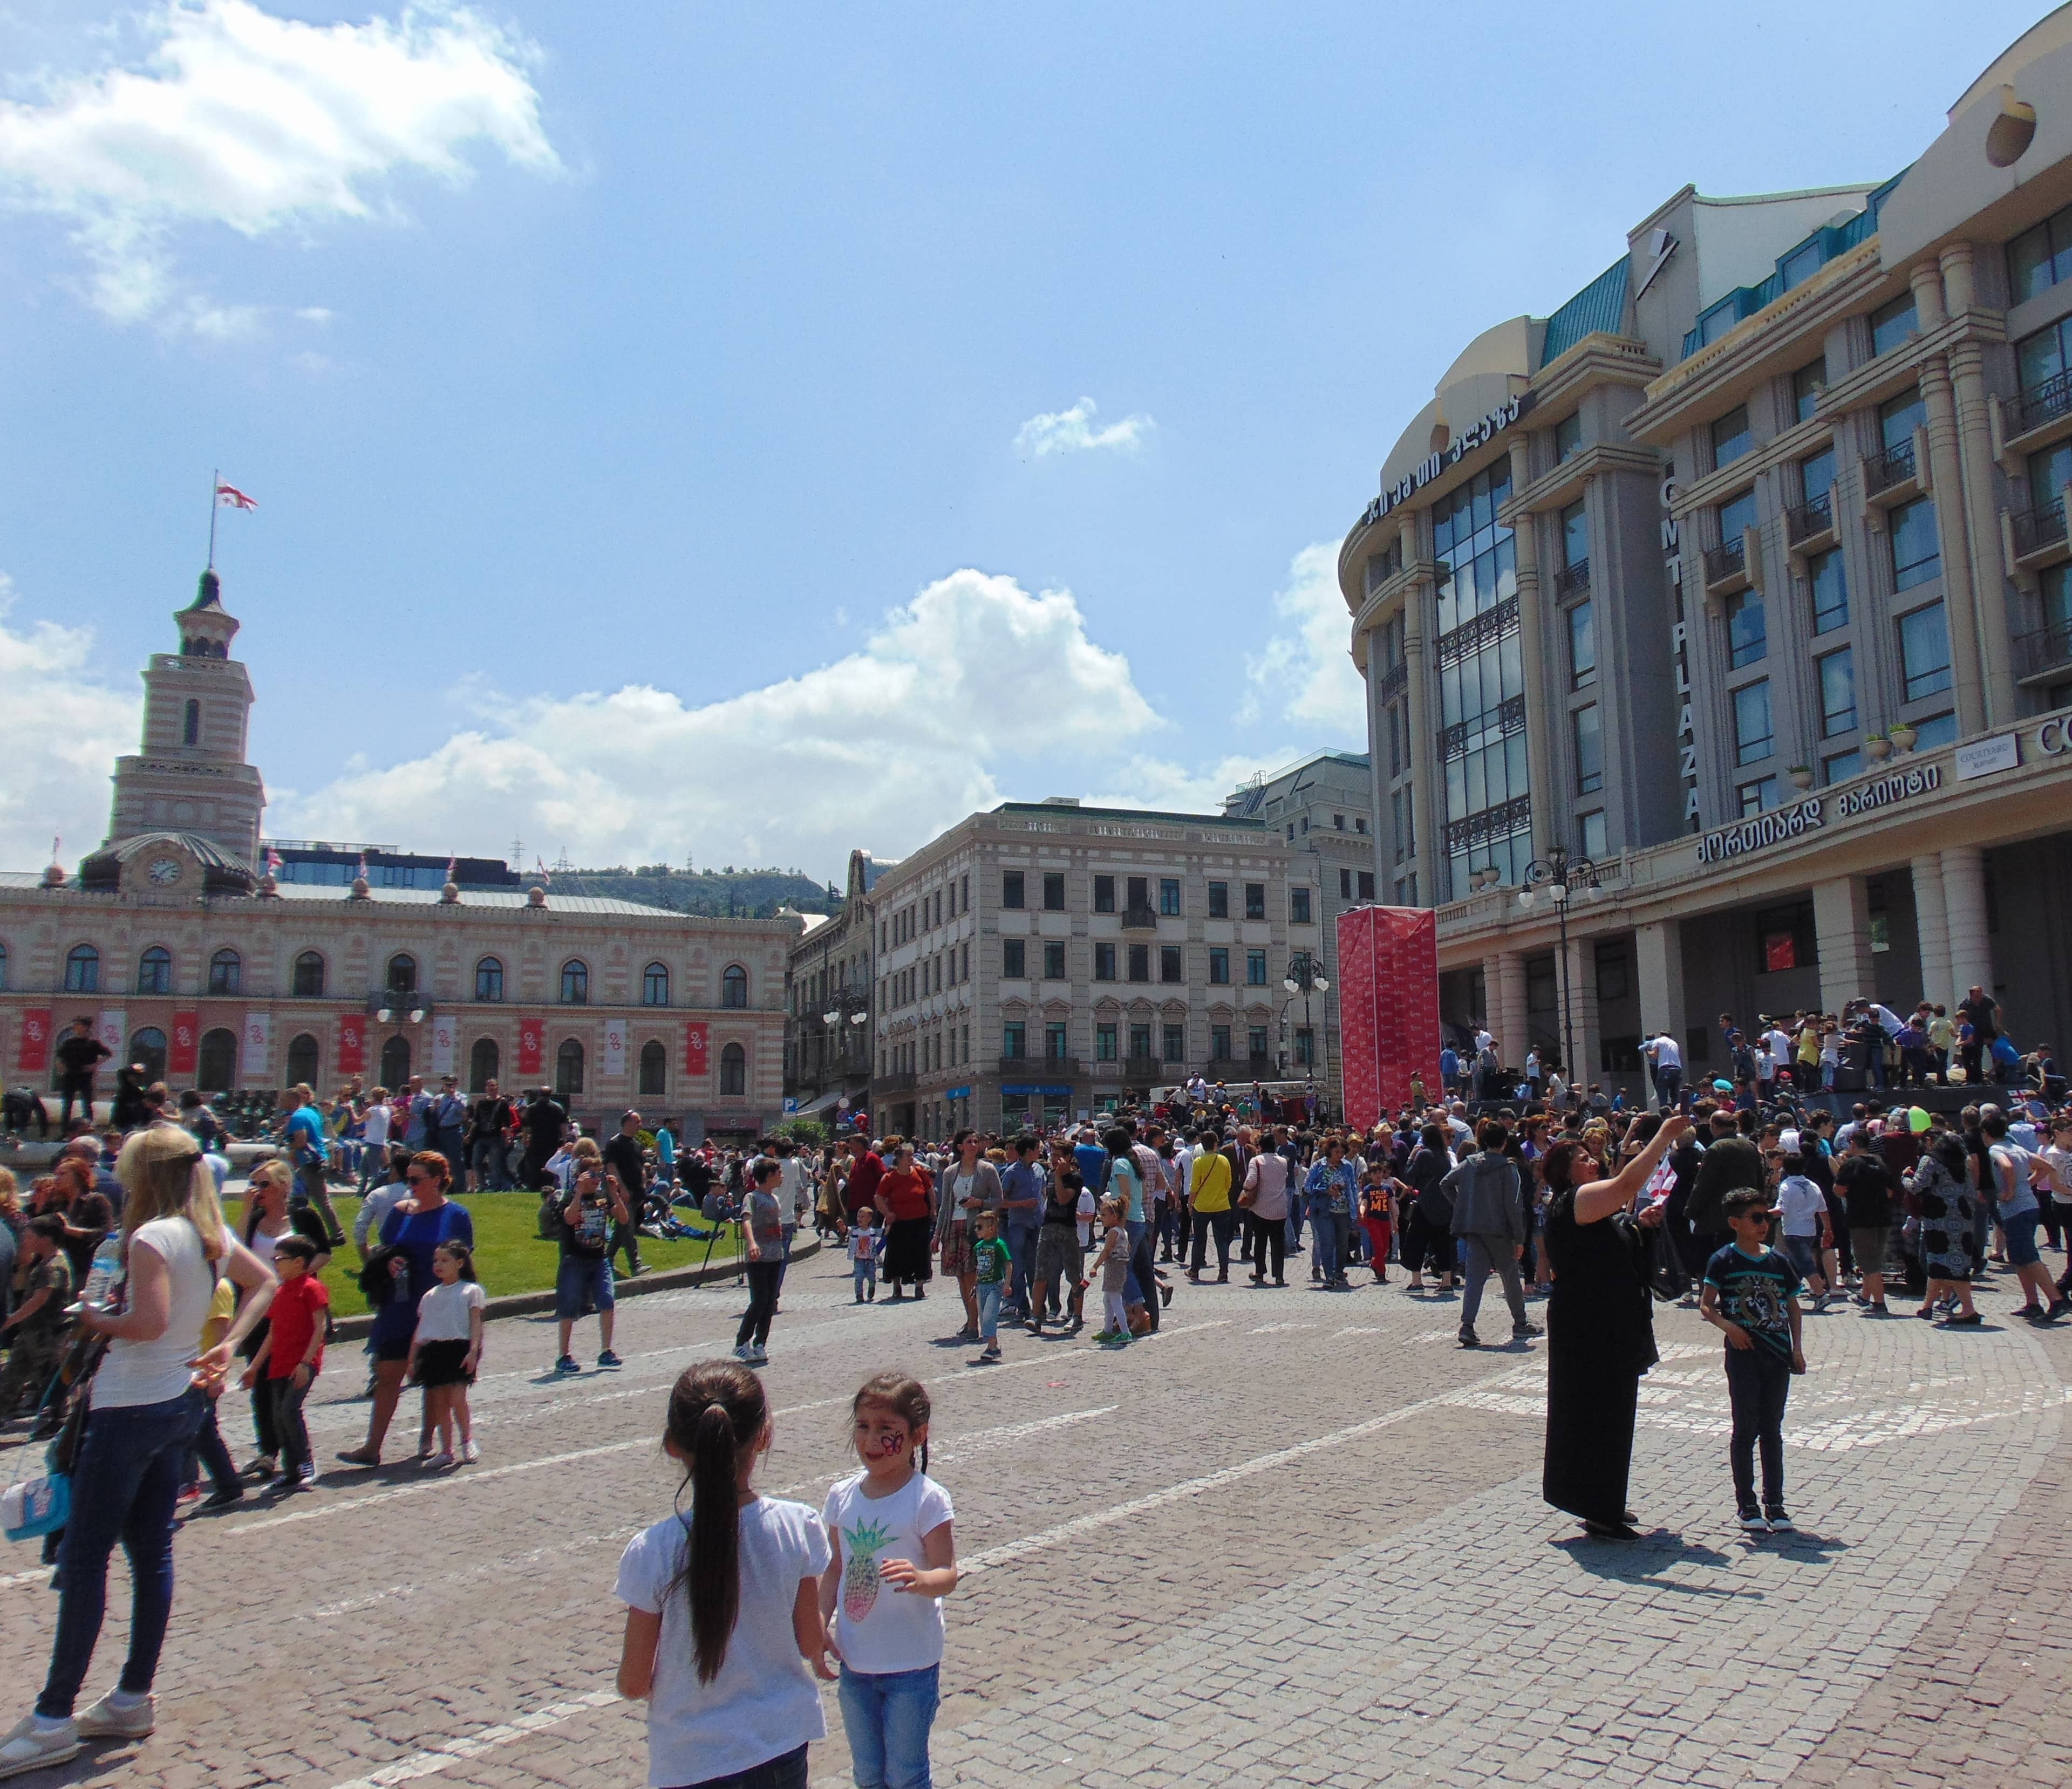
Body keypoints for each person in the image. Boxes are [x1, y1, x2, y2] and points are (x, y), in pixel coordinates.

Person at [0, 1127, 276, 1774]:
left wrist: (95, 1319)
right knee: (151, 1550)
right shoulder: (205, 1232)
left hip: (129, 1403)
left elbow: (146, 1322)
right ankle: (132, 1693)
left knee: (86, 1554)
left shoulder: (150, 1237)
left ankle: (52, 1715)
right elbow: (264, 1281)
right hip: (180, 1398)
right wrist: (228, 1342)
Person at [616, 1363, 835, 1789]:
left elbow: (634, 1680)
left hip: (689, 1758)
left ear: (672, 1446)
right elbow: (810, 1642)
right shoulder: (798, 1526)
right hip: (779, 1746)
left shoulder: (653, 1550)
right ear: (764, 1435)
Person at [1541, 1114, 1691, 1541]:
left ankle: (1603, 1499)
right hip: (1589, 1326)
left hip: (1609, 1322)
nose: (1593, 1162)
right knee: (1594, 1414)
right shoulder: (1574, 1200)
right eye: (1584, 1158)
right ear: (1565, 1171)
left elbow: (1617, 1237)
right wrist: (1661, 1138)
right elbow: (1627, 1185)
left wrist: (1640, 1228)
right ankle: (1597, 1508)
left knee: (1612, 1413)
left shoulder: (1591, 1206)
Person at [820, 1374, 956, 1789]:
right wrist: (819, 1619)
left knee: (906, 1774)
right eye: (862, 1427)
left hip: (910, 1665)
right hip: (856, 1663)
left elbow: (947, 1574)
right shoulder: (841, 1496)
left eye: (887, 1431)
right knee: (868, 1774)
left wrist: (920, 1579)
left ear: (917, 1436)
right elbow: (833, 1569)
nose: (871, 1442)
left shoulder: (927, 1498)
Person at [337, 1152, 476, 1466]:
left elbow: (464, 1262)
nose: (409, 1186)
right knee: (388, 1372)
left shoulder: (456, 1215)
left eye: (415, 1180)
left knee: (432, 1374)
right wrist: (387, 1262)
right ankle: (372, 1447)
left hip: (438, 1303)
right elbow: (385, 1249)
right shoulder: (401, 1213)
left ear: (438, 1180)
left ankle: (428, 1442)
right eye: (406, 1179)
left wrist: (470, 1306)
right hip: (399, 1302)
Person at [1701, 1187, 1807, 1532]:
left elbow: (1792, 1304)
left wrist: (1797, 1348)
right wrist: (1729, 1327)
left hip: (1777, 1356)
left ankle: (1775, 1503)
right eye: (1756, 1218)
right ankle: (1746, 1504)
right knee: (1745, 1428)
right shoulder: (1723, 1260)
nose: (1764, 1225)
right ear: (1735, 1223)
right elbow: (1706, 1304)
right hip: (1744, 1355)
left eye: (1768, 1218)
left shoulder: (1779, 1261)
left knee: (1772, 1430)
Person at [237, 1234, 326, 1493]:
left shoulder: (311, 1288)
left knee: (290, 1411)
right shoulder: (280, 1291)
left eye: (280, 1259)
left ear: (299, 1262)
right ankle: (291, 1471)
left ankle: (306, 1463)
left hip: (301, 1363)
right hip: (280, 1363)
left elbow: (320, 1327)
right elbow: (273, 1333)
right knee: (278, 1418)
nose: (275, 1263)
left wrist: (306, 1362)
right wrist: (254, 1367)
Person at [1444, 1119, 1537, 1348]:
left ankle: (1467, 1326)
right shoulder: (1508, 1168)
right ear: (1505, 1143)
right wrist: (1519, 1237)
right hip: (1500, 1231)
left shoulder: (1470, 1163)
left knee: (1474, 1280)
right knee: (1510, 1278)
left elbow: (1445, 1183)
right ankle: (1520, 1322)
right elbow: (1514, 1206)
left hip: (1474, 1228)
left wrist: (1462, 1206)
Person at [408, 1240, 485, 1467]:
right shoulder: (430, 1296)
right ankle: (447, 1450)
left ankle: (467, 1440)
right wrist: (413, 1358)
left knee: (457, 1398)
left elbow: (475, 1325)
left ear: (460, 1263)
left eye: (445, 1260)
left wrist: (473, 1352)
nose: (438, 1265)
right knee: (440, 1402)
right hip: (435, 1352)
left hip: (459, 1349)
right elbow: (421, 1329)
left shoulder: (471, 1291)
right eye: (436, 1261)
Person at [554, 1166, 630, 1375]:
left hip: (598, 1259)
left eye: (600, 1174)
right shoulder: (569, 1195)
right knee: (569, 1307)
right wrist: (579, 1191)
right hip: (575, 1259)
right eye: (593, 1175)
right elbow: (569, 1218)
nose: (597, 1179)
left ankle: (606, 1351)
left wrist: (615, 1193)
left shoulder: (603, 1197)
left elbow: (623, 1219)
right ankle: (564, 1354)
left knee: (607, 1301)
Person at [0, 1216, 73, 1419]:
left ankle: (57, 1419)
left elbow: (40, 1298)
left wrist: (10, 1320)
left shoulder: (55, 1265)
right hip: (31, 1332)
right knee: (12, 1375)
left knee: (49, 1378)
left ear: (45, 1239)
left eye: (30, 1235)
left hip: (48, 1335)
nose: (25, 1238)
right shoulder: (43, 1261)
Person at [1908, 1133, 1981, 1324]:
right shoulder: (1962, 1163)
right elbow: (1971, 1191)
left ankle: (1968, 1310)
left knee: (1947, 1266)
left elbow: (1917, 1186)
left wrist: (1904, 1178)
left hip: (1938, 1219)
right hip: (1962, 1219)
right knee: (1944, 1265)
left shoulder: (1930, 1160)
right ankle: (1927, 1306)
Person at [1835, 1129, 1896, 1314]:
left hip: (1861, 1220)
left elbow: (1838, 1190)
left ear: (1853, 1143)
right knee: (1874, 1260)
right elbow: (1890, 1192)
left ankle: (1879, 1303)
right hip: (1883, 1217)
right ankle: (1864, 1297)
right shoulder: (1880, 1162)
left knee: (1869, 1264)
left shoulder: (1852, 1164)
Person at [280, 1082, 347, 1250]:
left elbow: (301, 1140)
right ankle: (298, 1230)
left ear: (292, 1100)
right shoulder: (311, 1112)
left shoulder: (297, 1118)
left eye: (284, 1100)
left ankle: (337, 1235)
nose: (281, 1103)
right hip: (318, 1160)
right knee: (297, 1198)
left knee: (321, 1201)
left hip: (310, 1163)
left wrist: (290, 1147)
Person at [735, 1158, 787, 1365]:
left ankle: (760, 1343)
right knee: (759, 1300)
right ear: (769, 1176)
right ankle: (741, 1342)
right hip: (758, 1257)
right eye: (779, 1173)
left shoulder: (775, 1198)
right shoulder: (752, 1197)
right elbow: (746, 1220)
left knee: (769, 1303)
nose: (782, 1176)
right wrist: (752, 1243)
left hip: (775, 1255)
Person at [873, 1144, 935, 1301]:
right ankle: (896, 1286)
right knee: (896, 1253)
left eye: (912, 1155)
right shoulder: (890, 1177)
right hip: (899, 1222)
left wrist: (933, 1210)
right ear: (899, 1158)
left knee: (920, 1253)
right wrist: (887, 1213)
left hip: (920, 1219)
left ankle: (919, 1286)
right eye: (908, 1156)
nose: (911, 1158)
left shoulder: (919, 1172)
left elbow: (930, 1191)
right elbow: (878, 1198)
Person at [1027, 1170, 1086, 1334]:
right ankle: (1036, 1315)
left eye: (1059, 1155)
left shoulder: (1075, 1179)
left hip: (1067, 1230)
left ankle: (1077, 1316)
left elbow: (1063, 1199)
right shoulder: (1051, 1175)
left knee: (1074, 1276)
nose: (1054, 1159)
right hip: (1048, 1229)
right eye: (1053, 1155)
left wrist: (1059, 1177)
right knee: (1040, 1274)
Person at [1772, 1155, 1831, 1310]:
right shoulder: (1813, 1186)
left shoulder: (1786, 1186)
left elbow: (1781, 1210)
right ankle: (1785, 1294)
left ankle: (1821, 1295)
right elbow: (1823, 1210)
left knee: (1805, 1265)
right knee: (1794, 1265)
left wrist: (1762, 1215)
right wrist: (1828, 1229)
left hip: (1793, 1231)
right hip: (1810, 1231)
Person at [999, 1135, 1045, 1320]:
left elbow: (1044, 1193)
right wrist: (1021, 1204)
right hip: (1018, 1224)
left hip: (1037, 1223)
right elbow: (1001, 1201)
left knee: (1036, 1266)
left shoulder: (1040, 1169)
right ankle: (1022, 1306)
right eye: (1037, 1148)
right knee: (1018, 1267)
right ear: (1028, 1151)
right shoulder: (1011, 1172)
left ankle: (1038, 1307)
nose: (1040, 1151)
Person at [1303, 1136, 1358, 1290]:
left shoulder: (1347, 1166)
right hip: (1324, 1211)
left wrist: (1356, 1209)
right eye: (1336, 1152)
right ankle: (1329, 1276)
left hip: (1344, 1210)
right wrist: (1326, 1191)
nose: (1339, 1155)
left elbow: (1352, 1188)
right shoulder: (1318, 1166)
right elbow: (1307, 1187)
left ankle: (1339, 1273)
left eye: (1342, 1152)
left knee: (1342, 1245)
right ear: (1329, 1151)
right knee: (1327, 1242)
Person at [602, 1111, 649, 1280]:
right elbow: (612, 1168)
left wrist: (643, 1185)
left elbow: (641, 1167)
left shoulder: (637, 1145)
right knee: (627, 1228)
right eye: (637, 1122)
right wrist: (621, 1189)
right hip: (622, 1194)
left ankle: (606, 1259)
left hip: (636, 1192)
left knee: (622, 1229)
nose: (640, 1125)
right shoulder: (614, 1144)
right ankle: (635, 1264)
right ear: (627, 1123)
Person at [1186, 1128, 1235, 1282]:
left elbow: (1194, 1186)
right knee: (1221, 1240)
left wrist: (1190, 1203)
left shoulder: (1199, 1162)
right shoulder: (1224, 1160)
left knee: (1200, 1239)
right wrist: (1220, 1194)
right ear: (1215, 1144)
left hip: (1201, 1206)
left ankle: (1195, 1270)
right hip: (1222, 1205)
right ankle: (1224, 1272)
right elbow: (1229, 1184)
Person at [1242, 1143, 1291, 1286]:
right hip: (1280, 1208)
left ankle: (1260, 1271)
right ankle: (1279, 1275)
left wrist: (1245, 1188)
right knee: (1278, 1243)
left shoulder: (1256, 1161)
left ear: (1261, 1147)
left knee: (1260, 1241)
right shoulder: (1283, 1162)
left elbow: (1251, 1181)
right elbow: (1286, 1177)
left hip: (1260, 1207)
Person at [1089, 1196, 1133, 1346]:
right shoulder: (1123, 1232)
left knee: (1115, 1301)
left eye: (1105, 1215)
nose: (1102, 1218)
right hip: (1118, 1268)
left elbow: (1106, 1251)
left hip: (1114, 1268)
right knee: (1108, 1300)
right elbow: (1128, 1249)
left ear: (1114, 1216)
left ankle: (1125, 1332)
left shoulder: (1113, 1232)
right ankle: (1107, 1330)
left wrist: (1095, 1266)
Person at [53, 1018, 111, 1130]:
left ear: (85, 1027)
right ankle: (65, 1131)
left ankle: (88, 1128)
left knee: (87, 1103)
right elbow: (59, 1057)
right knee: (67, 1104)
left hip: (85, 1076)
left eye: (77, 1025)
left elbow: (107, 1054)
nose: (74, 1028)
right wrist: (60, 1068)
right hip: (70, 1076)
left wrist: (94, 1065)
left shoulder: (93, 1043)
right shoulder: (69, 1043)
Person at [971, 1208, 1011, 1363]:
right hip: (982, 1286)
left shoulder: (999, 1245)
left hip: (995, 1285)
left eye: (980, 1227)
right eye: (976, 1227)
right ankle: (993, 1345)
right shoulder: (978, 1247)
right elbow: (978, 1268)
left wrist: (1007, 1284)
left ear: (991, 1228)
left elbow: (1008, 1264)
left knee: (989, 1316)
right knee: (983, 1317)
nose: (977, 1230)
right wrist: (975, 1285)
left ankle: (992, 1348)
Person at [849, 1206, 881, 1303]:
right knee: (859, 1277)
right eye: (859, 1217)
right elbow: (846, 1231)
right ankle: (859, 1295)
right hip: (859, 1259)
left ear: (869, 1219)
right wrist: (841, 1227)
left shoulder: (873, 1231)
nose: (860, 1219)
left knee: (871, 1276)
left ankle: (872, 1286)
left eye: (863, 1217)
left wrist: (889, 1225)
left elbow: (884, 1232)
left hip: (870, 1259)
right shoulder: (855, 1231)